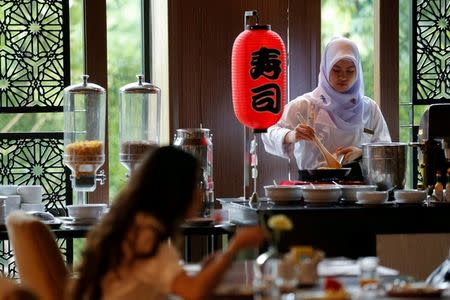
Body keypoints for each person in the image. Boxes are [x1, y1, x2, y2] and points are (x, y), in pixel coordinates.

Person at [68, 146, 266, 300]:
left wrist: (208, 271)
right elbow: (194, 292)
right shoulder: (146, 241)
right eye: (195, 183)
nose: (200, 192)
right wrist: (234, 248)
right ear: (175, 191)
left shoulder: (132, 226)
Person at [262, 36, 391, 179]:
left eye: (350, 71)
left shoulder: (369, 108)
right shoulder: (306, 105)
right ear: (325, 68)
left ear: (358, 72)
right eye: (336, 70)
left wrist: (363, 152)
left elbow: (386, 149)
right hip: (313, 189)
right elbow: (268, 131)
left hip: (358, 190)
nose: (343, 77)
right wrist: (290, 135)